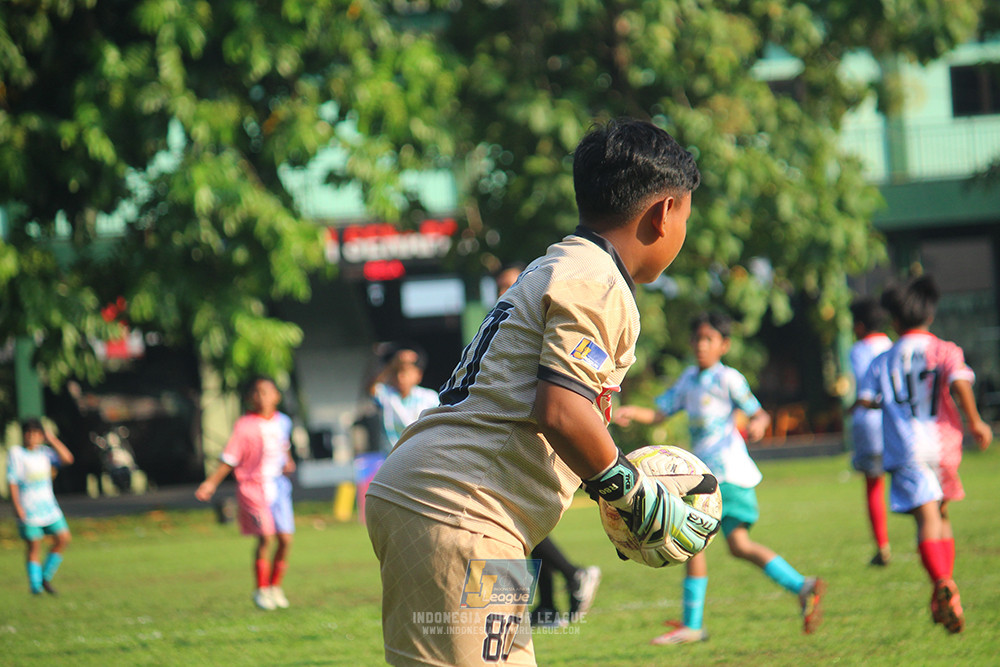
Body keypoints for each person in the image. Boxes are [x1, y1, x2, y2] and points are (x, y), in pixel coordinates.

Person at [365, 118, 718, 666]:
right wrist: (634, 495)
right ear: (664, 212)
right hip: (464, 512)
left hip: (449, 505)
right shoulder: (597, 280)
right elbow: (561, 408)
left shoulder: (558, 264)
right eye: (688, 219)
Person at [615, 311, 826, 644]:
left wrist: (757, 423)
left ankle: (693, 625)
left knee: (691, 543)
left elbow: (758, 412)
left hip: (727, 476)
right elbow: (660, 411)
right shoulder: (688, 380)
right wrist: (630, 412)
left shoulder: (728, 379)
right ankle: (802, 586)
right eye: (697, 338)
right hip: (707, 479)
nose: (701, 345)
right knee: (736, 546)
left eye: (709, 339)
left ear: (724, 345)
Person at [856, 275, 992, 634]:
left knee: (926, 518)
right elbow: (959, 381)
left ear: (894, 321)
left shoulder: (883, 359)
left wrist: (859, 401)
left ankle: (943, 582)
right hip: (945, 445)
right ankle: (944, 591)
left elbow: (868, 400)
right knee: (943, 514)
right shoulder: (945, 349)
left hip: (907, 449)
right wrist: (976, 421)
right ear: (929, 315)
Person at [495, 261, 603, 628]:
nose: (505, 292)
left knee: (520, 521)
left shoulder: (542, 326)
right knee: (523, 521)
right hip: (515, 439)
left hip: (535, 439)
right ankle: (547, 604)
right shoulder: (502, 328)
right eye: (500, 286)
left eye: (511, 284)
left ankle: (573, 576)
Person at [195, 375, 296, 611]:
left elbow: (284, 446)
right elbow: (230, 457)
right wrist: (210, 483)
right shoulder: (245, 426)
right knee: (266, 536)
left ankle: (275, 587)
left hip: (279, 487)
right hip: (254, 487)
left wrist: (288, 461)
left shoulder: (283, 422)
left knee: (286, 539)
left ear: (276, 396)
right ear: (251, 397)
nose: (262, 397)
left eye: (267, 392)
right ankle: (261, 590)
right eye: (257, 392)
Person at [848, 297, 894, 566]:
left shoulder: (858, 349)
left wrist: (853, 406)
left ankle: (882, 545)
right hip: (895, 423)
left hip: (868, 423)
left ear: (861, 325)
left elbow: (866, 389)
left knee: (874, 485)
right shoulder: (891, 344)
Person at [7, 418, 75, 595]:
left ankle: (44, 576)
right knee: (34, 545)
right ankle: (35, 587)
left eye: (36, 433)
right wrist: (17, 506)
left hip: (49, 507)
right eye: (28, 433)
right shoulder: (17, 454)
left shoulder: (45, 453)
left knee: (63, 538)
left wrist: (52, 439)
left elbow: (68, 459)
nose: (31, 437)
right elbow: (12, 482)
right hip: (28, 508)